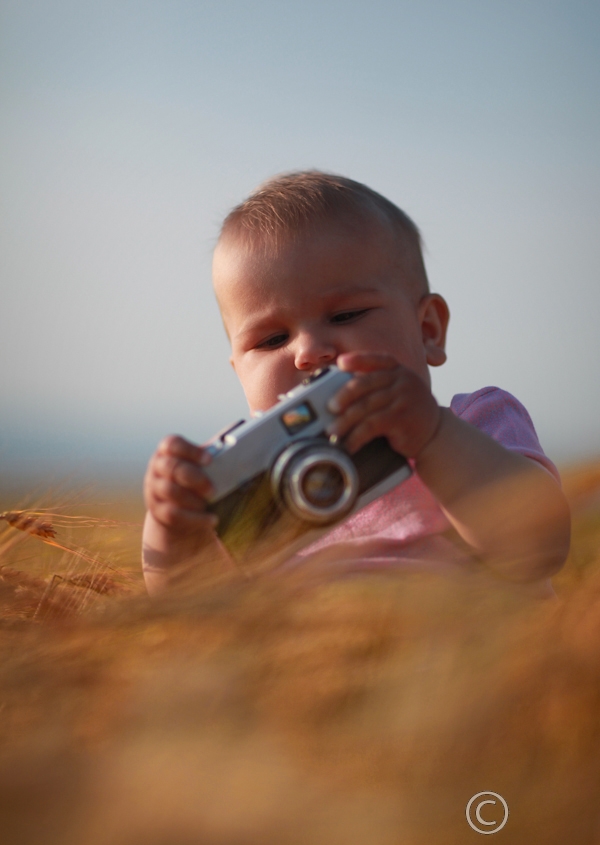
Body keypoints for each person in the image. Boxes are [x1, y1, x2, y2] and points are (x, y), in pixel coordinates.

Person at [142, 171, 570, 594]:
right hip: (315, 660)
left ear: (428, 331)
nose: (309, 351)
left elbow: (539, 548)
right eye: (272, 339)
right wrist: (175, 527)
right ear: (239, 370)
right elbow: (192, 609)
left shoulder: (478, 422)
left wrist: (432, 436)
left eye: (346, 316)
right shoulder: (237, 469)